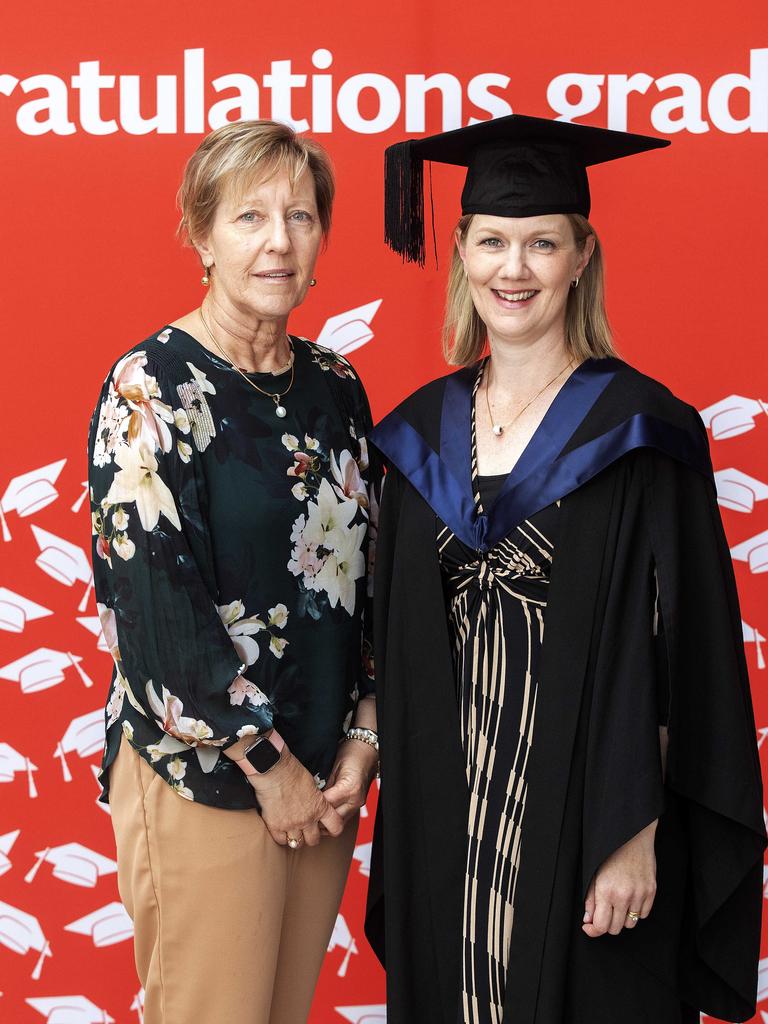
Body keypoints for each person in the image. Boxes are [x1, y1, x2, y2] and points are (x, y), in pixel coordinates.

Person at [365, 114, 765, 1024]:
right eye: (493, 242)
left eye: (541, 244)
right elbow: (392, 640)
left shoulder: (642, 431)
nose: (515, 269)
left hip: (589, 815)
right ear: (460, 250)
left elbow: (686, 661)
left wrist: (635, 831)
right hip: (450, 819)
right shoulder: (414, 435)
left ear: (581, 256)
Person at [87, 119, 380, 1024]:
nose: (279, 241)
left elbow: (369, 582)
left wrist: (365, 735)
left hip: (322, 783)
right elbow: (153, 609)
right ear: (201, 233)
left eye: (300, 215)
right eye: (249, 217)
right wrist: (265, 761)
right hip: (209, 774)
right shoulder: (150, 386)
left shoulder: (337, 385)